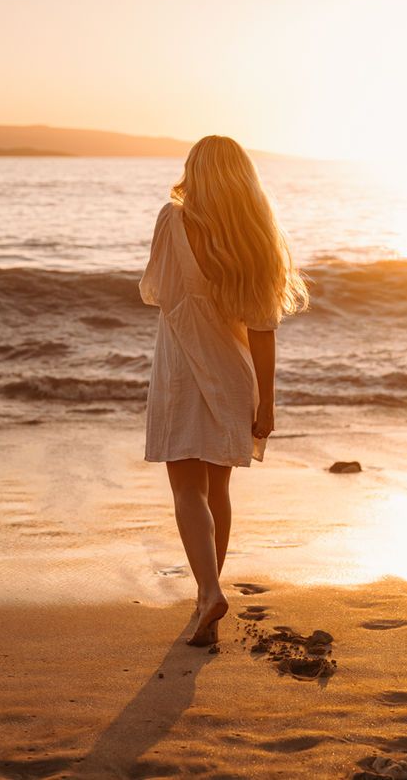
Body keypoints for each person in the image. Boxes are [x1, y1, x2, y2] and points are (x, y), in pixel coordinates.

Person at [138, 135, 309, 646]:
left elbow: (158, 291)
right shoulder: (256, 239)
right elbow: (263, 328)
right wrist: (268, 403)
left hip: (182, 372)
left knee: (186, 489)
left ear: (196, 173)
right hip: (236, 376)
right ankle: (205, 600)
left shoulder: (173, 219)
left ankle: (209, 592)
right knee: (219, 491)